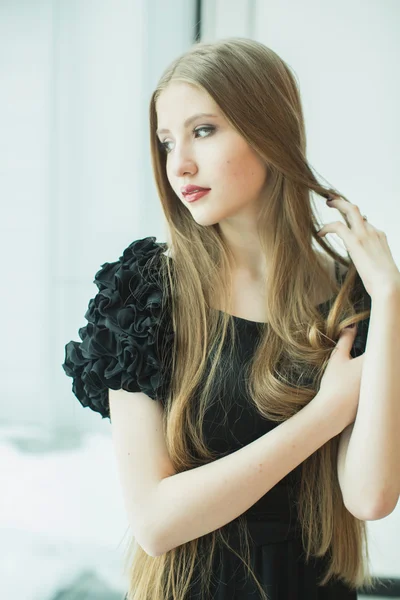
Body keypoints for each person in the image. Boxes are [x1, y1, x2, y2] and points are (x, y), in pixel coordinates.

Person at [62, 37, 395, 600]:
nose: (179, 164)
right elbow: (155, 523)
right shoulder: (145, 292)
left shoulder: (348, 294)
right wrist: (326, 413)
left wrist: (388, 296)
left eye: (203, 130)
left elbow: (369, 497)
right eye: (167, 142)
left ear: (270, 133)